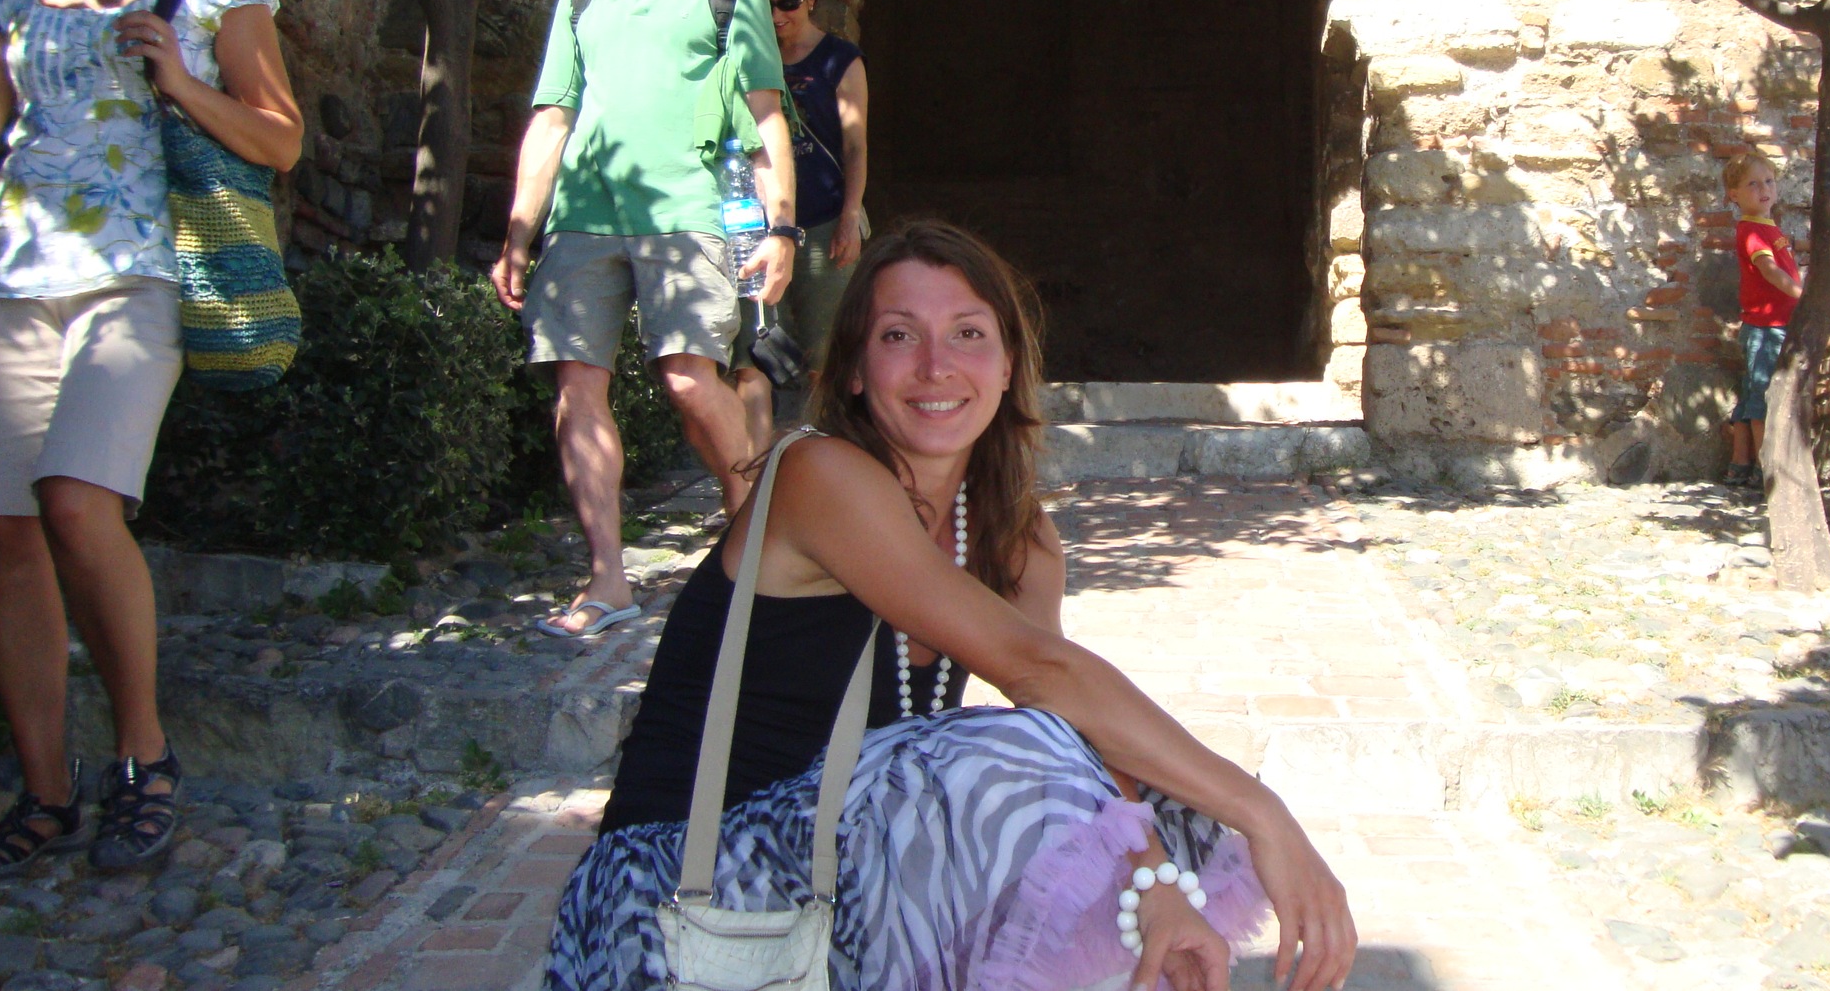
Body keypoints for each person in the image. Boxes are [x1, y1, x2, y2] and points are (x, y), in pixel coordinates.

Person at [549, 221, 1356, 991]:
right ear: (855, 369)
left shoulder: (1015, 535)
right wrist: (1264, 812)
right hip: (672, 893)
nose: (936, 366)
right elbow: (1040, 674)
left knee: (1146, 792)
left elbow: (1077, 725)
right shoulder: (820, 476)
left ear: (1008, 366)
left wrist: (1153, 881)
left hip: (834, 885)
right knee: (997, 758)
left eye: (969, 333)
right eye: (899, 335)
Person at [0, 0, 304, 882]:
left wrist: (181, 81)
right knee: (4, 528)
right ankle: (45, 789)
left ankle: (145, 755)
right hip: (12, 272)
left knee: (76, 497)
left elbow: (281, 135)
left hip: (140, 271)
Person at [491, 0, 800, 639]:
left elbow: (765, 113)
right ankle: (607, 578)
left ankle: (754, 532)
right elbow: (551, 119)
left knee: (690, 380)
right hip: (583, 218)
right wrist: (520, 229)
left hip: (688, 212)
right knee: (576, 387)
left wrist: (782, 226)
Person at [725, 0, 869, 451]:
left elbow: (855, 145)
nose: (777, 16)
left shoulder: (839, 59)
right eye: (766, 5)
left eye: (787, 3)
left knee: (824, 357)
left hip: (824, 220)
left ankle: (825, 465)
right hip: (755, 225)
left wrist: (850, 216)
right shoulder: (745, 58)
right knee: (750, 357)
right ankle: (752, 472)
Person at [1723, 150, 1802, 487]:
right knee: (1763, 397)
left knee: (1752, 393)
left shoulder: (1768, 228)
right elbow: (1769, 270)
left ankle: (1740, 462)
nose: (1763, 189)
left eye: (1768, 181)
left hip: (1773, 324)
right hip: (1767, 328)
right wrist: (1801, 295)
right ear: (1734, 195)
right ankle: (1765, 467)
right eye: (1752, 184)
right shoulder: (1753, 231)